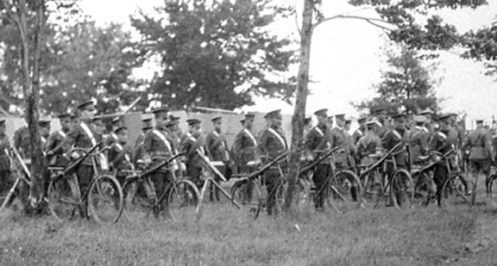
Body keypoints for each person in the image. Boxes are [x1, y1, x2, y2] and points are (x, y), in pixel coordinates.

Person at [141, 106, 175, 205]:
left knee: (169, 187)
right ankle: (158, 210)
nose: (166, 121)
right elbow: (145, 150)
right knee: (159, 189)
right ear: (156, 119)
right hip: (157, 166)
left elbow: (172, 149)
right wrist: (147, 159)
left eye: (166, 119)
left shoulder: (168, 134)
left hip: (168, 164)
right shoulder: (151, 134)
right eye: (163, 119)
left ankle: (166, 209)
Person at [258, 109, 288, 215]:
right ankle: (270, 210)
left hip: (281, 163)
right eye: (277, 119)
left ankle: (277, 209)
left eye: (280, 119)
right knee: (272, 188)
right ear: (270, 119)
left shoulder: (281, 132)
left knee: (280, 187)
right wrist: (266, 159)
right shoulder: (267, 132)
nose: (279, 121)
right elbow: (261, 147)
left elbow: (285, 147)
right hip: (271, 165)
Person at [463, 119, 494, 206]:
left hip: (472, 156)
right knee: (488, 175)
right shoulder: (486, 133)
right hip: (483, 156)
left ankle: (472, 199)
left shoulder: (471, 133)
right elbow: (488, 146)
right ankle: (488, 193)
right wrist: (491, 158)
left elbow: (464, 145)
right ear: (482, 123)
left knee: (474, 178)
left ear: (476, 123)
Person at [304, 108, 331, 211]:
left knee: (327, 183)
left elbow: (329, 144)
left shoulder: (328, 131)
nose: (325, 119)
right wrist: (309, 155)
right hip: (319, 160)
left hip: (328, 159)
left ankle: (323, 203)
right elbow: (307, 146)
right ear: (318, 118)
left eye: (326, 117)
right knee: (319, 183)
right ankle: (318, 205)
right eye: (323, 117)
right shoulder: (313, 131)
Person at [428, 114, 458, 206]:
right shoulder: (436, 135)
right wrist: (435, 157)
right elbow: (431, 149)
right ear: (441, 123)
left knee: (451, 181)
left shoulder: (454, 133)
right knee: (440, 182)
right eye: (445, 123)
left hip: (451, 160)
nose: (447, 125)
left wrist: (457, 157)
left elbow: (456, 146)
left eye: (448, 123)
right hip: (440, 161)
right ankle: (439, 202)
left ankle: (447, 199)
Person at [382, 112, 409, 206]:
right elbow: (383, 144)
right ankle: (393, 202)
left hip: (403, 160)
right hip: (392, 160)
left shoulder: (406, 133)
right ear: (395, 123)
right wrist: (387, 153)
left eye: (403, 122)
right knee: (394, 181)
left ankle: (400, 203)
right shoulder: (390, 133)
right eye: (400, 122)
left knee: (403, 181)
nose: (402, 124)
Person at [205, 116, 232, 201]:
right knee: (214, 178)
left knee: (219, 179)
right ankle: (212, 196)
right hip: (215, 158)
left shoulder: (222, 135)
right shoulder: (211, 135)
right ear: (214, 124)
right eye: (218, 124)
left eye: (220, 123)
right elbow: (208, 149)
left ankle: (217, 195)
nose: (219, 126)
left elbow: (226, 147)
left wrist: (229, 157)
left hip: (222, 159)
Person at [181, 119, 205, 188]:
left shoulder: (201, 140)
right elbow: (183, 152)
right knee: (192, 183)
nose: (198, 130)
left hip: (200, 163)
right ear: (191, 128)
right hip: (192, 164)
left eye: (199, 128)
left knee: (200, 182)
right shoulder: (188, 140)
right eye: (196, 128)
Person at [0, 118, 12, 195]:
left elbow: (8, 149)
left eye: (4, 127)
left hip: (4, 165)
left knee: (5, 182)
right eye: (2, 127)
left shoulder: (5, 137)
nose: (4, 128)